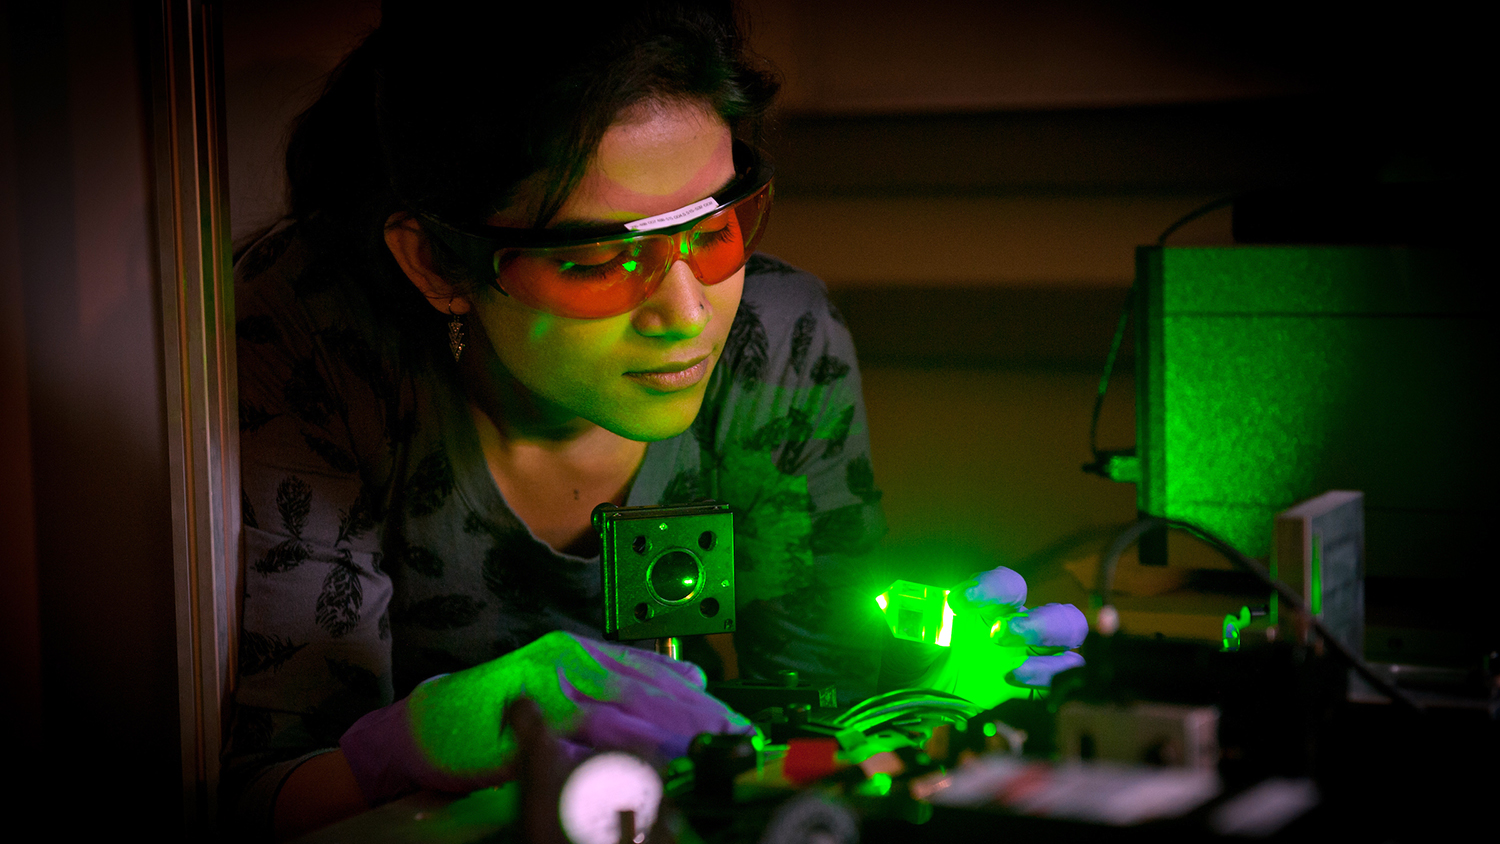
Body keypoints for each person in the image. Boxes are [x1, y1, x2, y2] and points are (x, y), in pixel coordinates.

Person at [225, 1, 1085, 839]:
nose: (689, 311)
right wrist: (415, 743)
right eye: (601, 258)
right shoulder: (311, 341)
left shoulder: (777, 342)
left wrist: (939, 698)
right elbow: (260, 792)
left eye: (715, 230)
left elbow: (814, 714)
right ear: (438, 262)